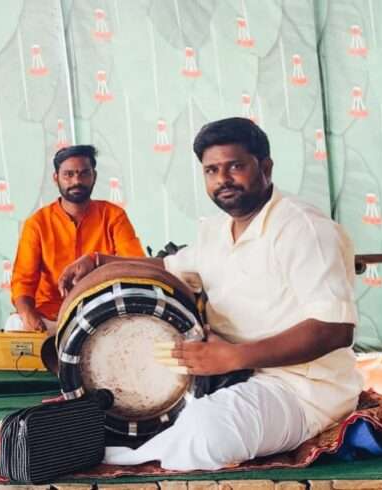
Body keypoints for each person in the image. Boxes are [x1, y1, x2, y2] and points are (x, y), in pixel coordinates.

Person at [57, 117, 363, 471]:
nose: (223, 180)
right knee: (124, 392)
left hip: (302, 389)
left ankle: (110, 456)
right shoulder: (215, 232)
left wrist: (235, 357)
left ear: (265, 167)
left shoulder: (303, 229)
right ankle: (111, 445)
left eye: (235, 166)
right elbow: (167, 268)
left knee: (207, 430)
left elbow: (335, 328)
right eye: (211, 170)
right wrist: (98, 261)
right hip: (228, 375)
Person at [5, 145, 145, 333]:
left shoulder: (113, 216)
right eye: (68, 175)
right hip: (52, 316)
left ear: (94, 176)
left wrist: (97, 262)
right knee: (15, 325)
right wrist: (27, 314)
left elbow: (137, 265)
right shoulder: (38, 223)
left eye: (84, 173)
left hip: (101, 313)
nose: (76, 181)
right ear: (56, 178)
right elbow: (23, 281)